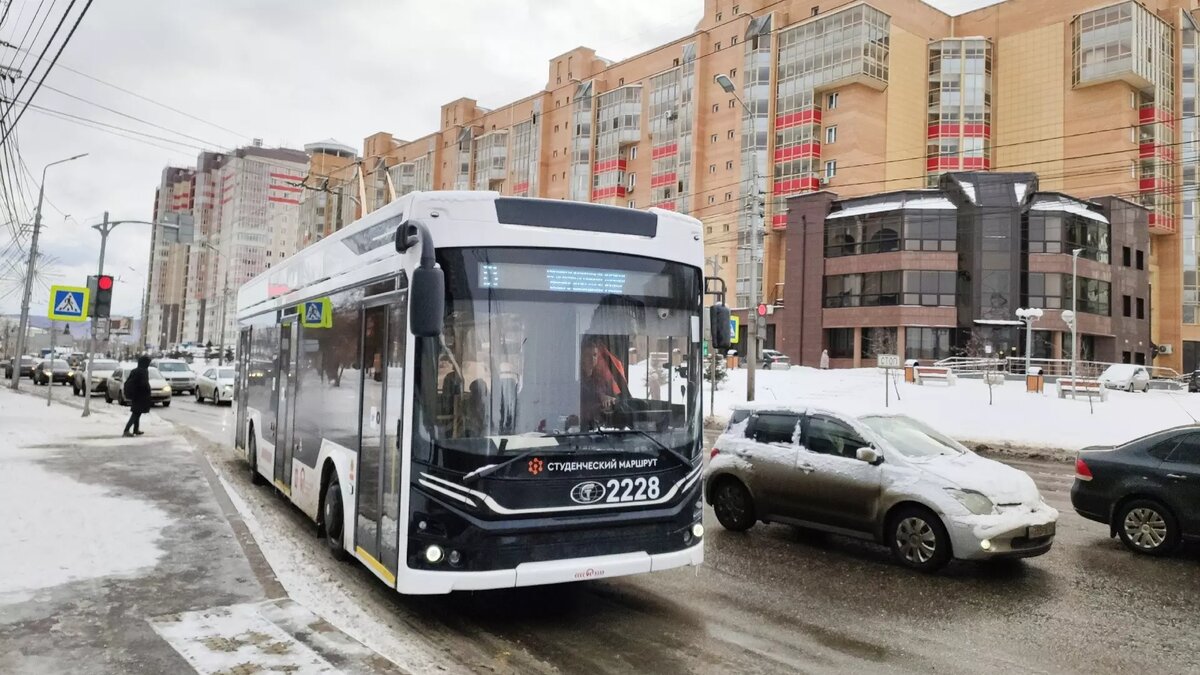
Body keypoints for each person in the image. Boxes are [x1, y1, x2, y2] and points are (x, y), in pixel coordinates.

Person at [580, 337, 626, 427]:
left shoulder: (601, 379)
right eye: (587, 355)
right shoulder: (578, 381)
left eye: (594, 355)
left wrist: (611, 401)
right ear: (581, 358)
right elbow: (583, 403)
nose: (592, 358)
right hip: (583, 425)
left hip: (602, 425)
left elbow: (613, 399)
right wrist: (601, 399)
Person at [122, 355, 153, 437]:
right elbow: (144, 384)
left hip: (135, 395)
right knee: (135, 414)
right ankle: (126, 430)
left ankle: (136, 429)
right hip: (141, 396)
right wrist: (147, 392)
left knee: (137, 413)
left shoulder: (135, 370)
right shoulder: (143, 371)